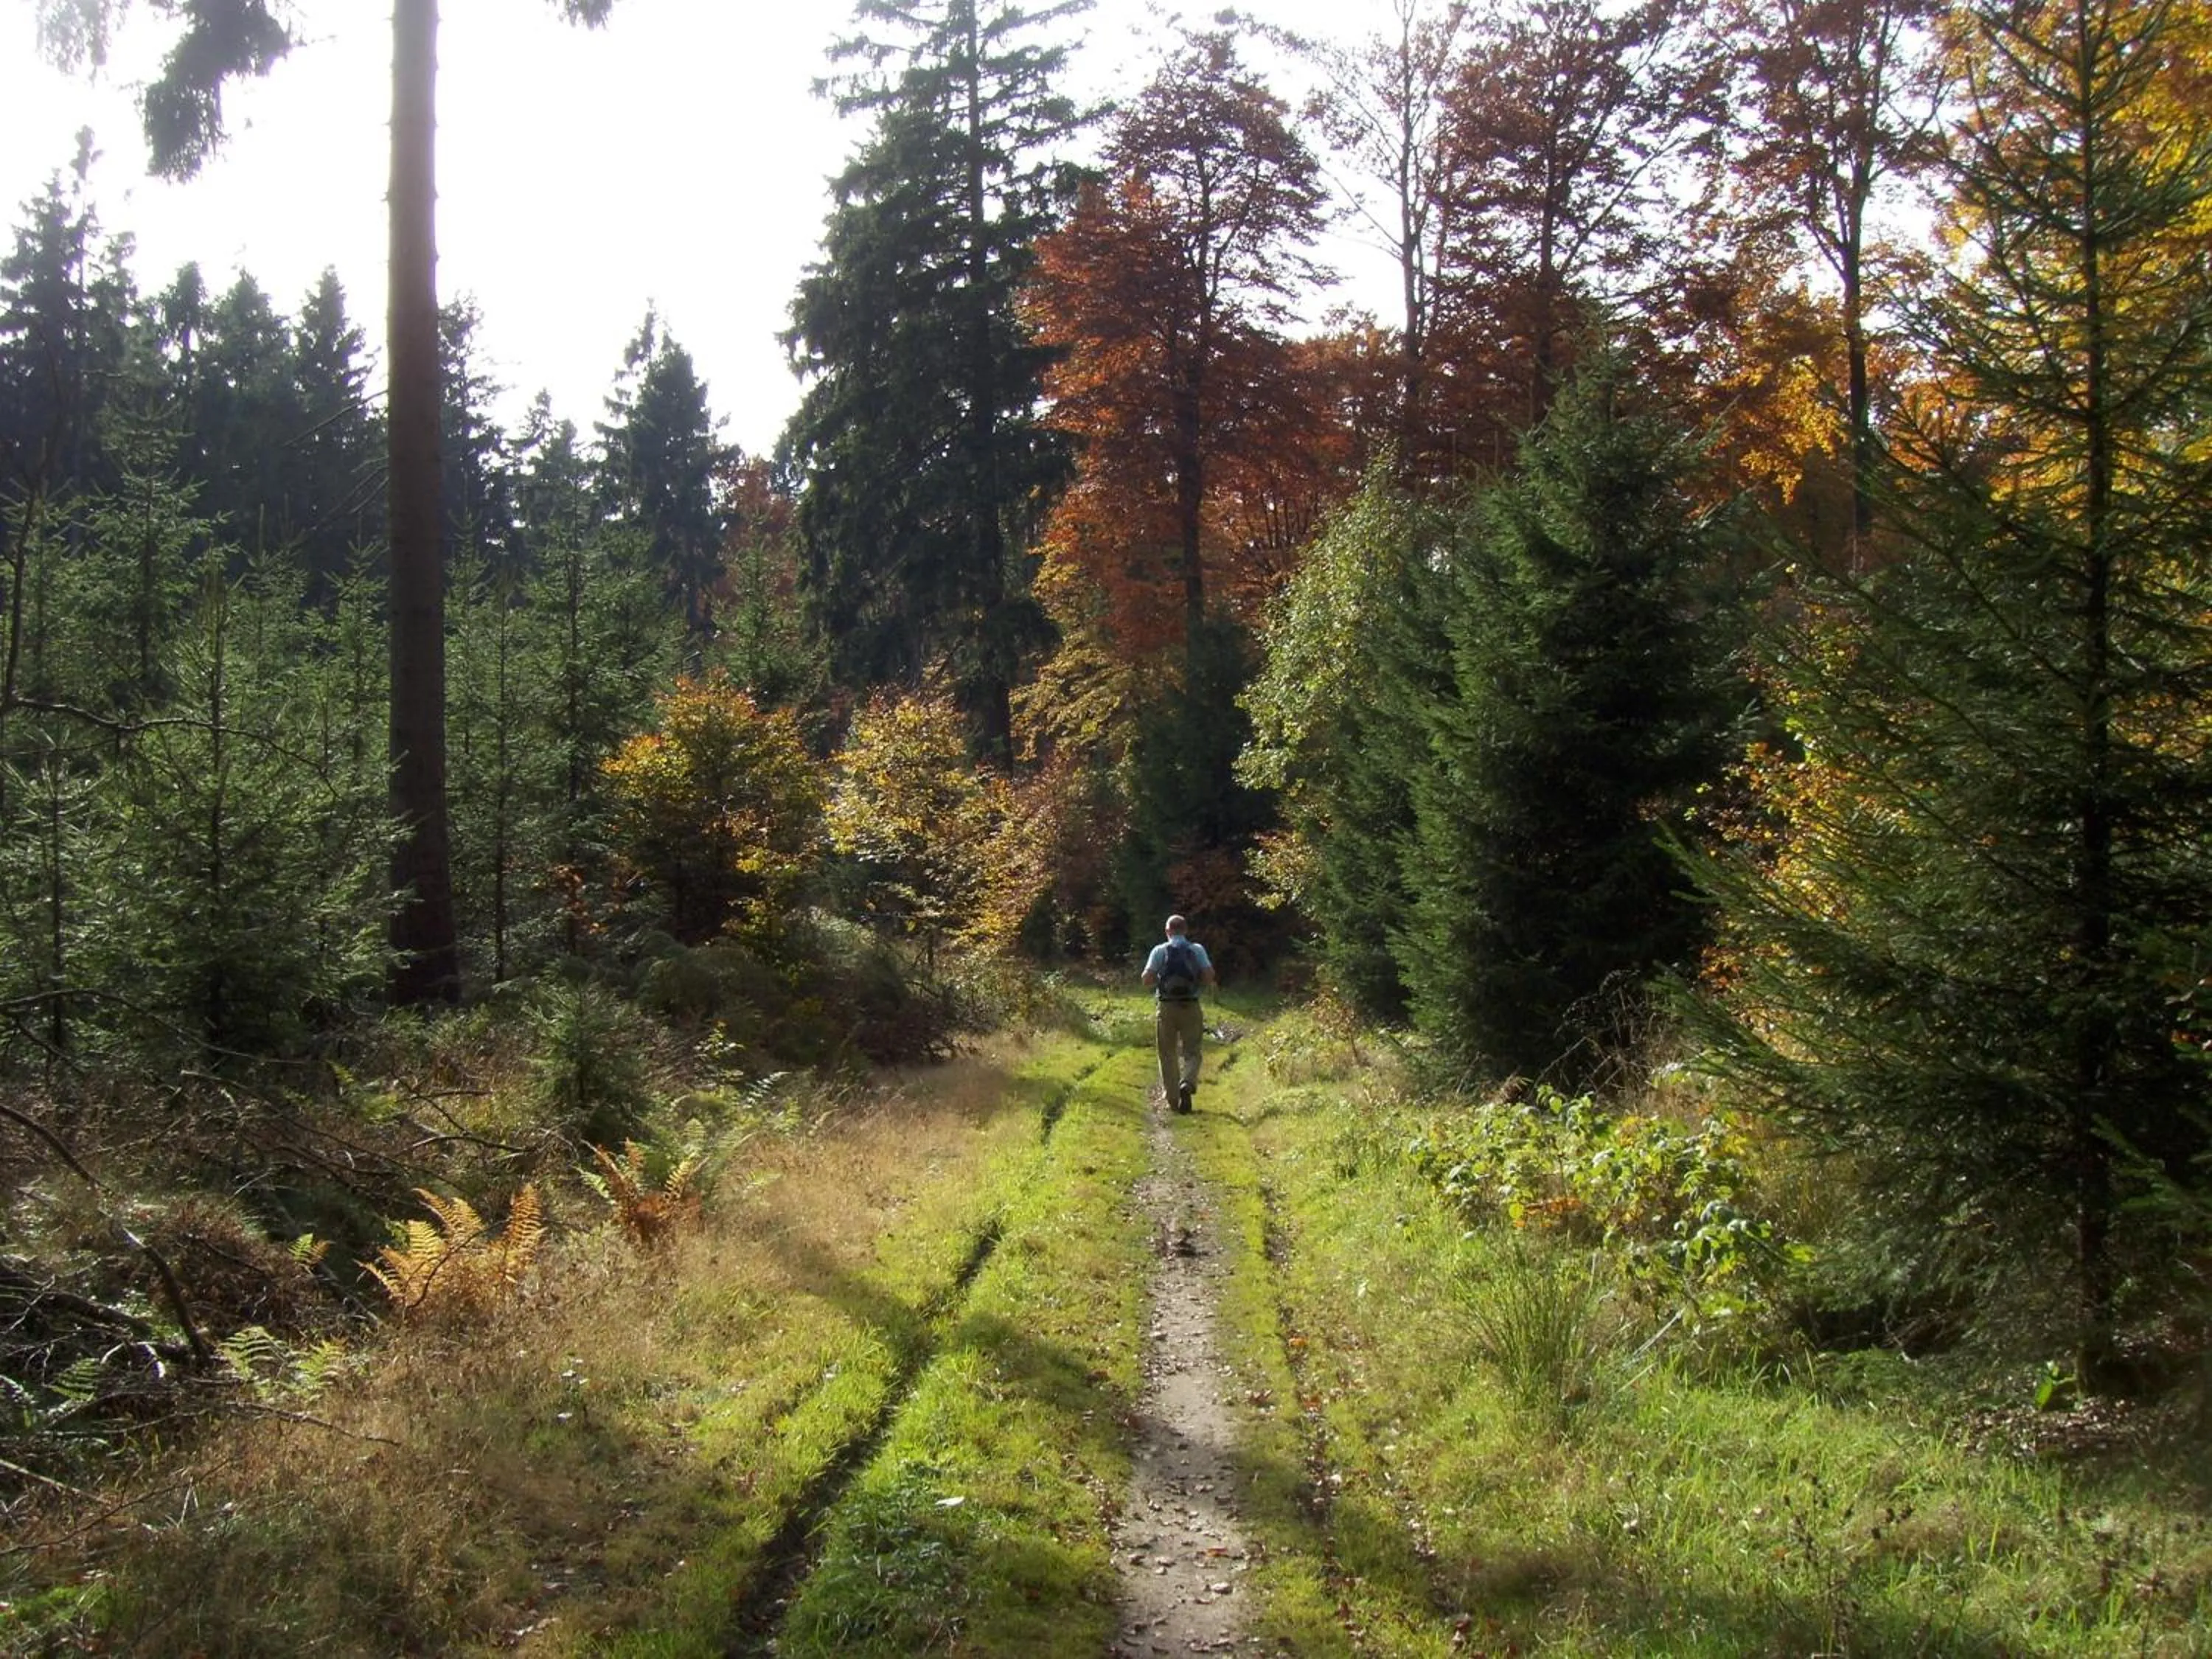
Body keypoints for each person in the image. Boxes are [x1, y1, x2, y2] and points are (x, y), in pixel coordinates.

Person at [1141, 914, 1216, 1113]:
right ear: (1186, 930)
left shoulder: (1159, 951)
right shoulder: (1196, 949)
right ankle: (1188, 1083)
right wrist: (1197, 981)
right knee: (1193, 1051)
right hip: (1191, 1006)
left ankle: (1173, 1100)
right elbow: (1209, 976)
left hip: (1166, 1007)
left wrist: (1161, 979)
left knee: (1167, 1053)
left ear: (1167, 931)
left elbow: (1146, 979)